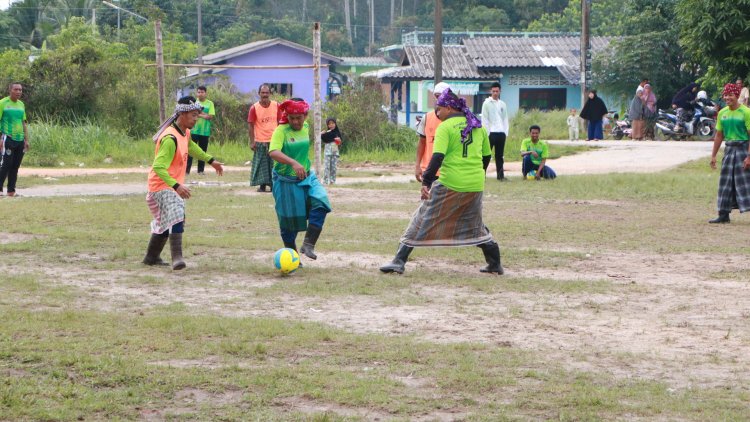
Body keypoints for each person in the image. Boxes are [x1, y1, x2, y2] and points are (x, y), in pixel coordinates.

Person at [379, 88, 502, 275]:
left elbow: (437, 158)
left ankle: (399, 260)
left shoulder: (444, 128)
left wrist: (426, 182)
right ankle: (495, 263)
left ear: (450, 108)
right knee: (473, 222)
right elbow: (486, 157)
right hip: (475, 184)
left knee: (422, 217)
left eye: (440, 108)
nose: (437, 112)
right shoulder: (478, 126)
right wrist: (478, 175)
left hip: (450, 182)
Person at [143, 96, 224, 270]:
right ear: (182, 114)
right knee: (177, 215)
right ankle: (177, 258)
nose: (196, 119)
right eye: (194, 115)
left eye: (197, 115)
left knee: (166, 223)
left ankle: (151, 257)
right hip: (161, 187)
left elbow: (192, 147)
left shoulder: (184, 132)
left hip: (167, 186)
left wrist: (211, 160)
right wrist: (176, 186)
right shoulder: (170, 138)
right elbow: (158, 167)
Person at [269, 98, 331, 261]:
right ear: (287, 116)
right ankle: (292, 256)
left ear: (305, 115)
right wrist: (293, 162)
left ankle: (308, 244)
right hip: (285, 181)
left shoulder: (306, 126)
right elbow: (273, 152)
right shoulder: (281, 131)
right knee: (289, 223)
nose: (296, 121)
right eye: (292, 118)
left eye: (299, 117)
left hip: (307, 178)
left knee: (321, 202)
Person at [708, 83, 750, 224]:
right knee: (725, 182)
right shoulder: (722, 113)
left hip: (743, 148)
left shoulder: (746, 112)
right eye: (725, 95)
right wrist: (713, 155)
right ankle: (723, 214)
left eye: (730, 95)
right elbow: (719, 135)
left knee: (745, 182)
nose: (727, 97)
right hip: (729, 149)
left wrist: (749, 156)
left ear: (737, 96)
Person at [415, 82, 451, 182]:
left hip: (449, 172)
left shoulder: (455, 120)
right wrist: (417, 165)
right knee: (426, 197)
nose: (438, 100)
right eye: (436, 97)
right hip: (429, 171)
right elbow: (422, 142)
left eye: (440, 96)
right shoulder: (427, 118)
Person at [248, 83, 281, 192]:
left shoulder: (277, 106)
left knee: (273, 164)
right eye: (263, 92)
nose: (265, 95)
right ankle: (262, 186)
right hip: (260, 140)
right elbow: (250, 125)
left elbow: (281, 123)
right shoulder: (254, 108)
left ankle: (273, 186)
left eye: (267, 93)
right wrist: (252, 142)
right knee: (261, 164)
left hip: (274, 140)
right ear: (259, 94)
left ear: (270, 94)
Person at [0, 82, 29, 197]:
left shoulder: (21, 104)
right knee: (6, 164)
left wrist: (26, 140)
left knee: (15, 166)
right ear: (10, 90)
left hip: (20, 139)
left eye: (20, 90)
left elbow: (23, 123)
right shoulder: (2, 103)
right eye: (16, 89)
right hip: (8, 138)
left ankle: (11, 191)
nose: (18, 92)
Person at [481, 82, 510, 180]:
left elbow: (505, 118)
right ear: (490, 91)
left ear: (500, 91)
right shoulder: (486, 103)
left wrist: (505, 132)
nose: (495, 93)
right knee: (486, 155)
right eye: (493, 91)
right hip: (490, 133)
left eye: (497, 91)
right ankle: (482, 175)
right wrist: (486, 133)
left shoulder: (503, 104)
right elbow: (484, 119)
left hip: (501, 133)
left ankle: (500, 176)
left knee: (500, 156)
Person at [185, 86, 215, 175]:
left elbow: (210, 116)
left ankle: (200, 171)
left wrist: (198, 114)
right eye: (198, 92)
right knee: (190, 150)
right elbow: (190, 115)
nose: (200, 94)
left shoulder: (210, 104)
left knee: (202, 151)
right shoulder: (193, 103)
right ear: (196, 93)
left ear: (205, 93)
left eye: (202, 92)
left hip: (204, 132)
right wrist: (203, 114)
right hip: (193, 131)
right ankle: (186, 170)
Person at [320, 117, 342, 184]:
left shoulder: (337, 133)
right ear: (327, 125)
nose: (331, 125)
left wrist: (339, 140)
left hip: (335, 153)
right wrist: (321, 134)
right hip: (327, 153)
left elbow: (340, 143)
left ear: (335, 124)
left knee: (333, 168)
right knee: (326, 167)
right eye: (329, 124)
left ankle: (332, 181)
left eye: (333, 123)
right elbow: (323, 139)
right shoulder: (326, 133)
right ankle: (325, 181)